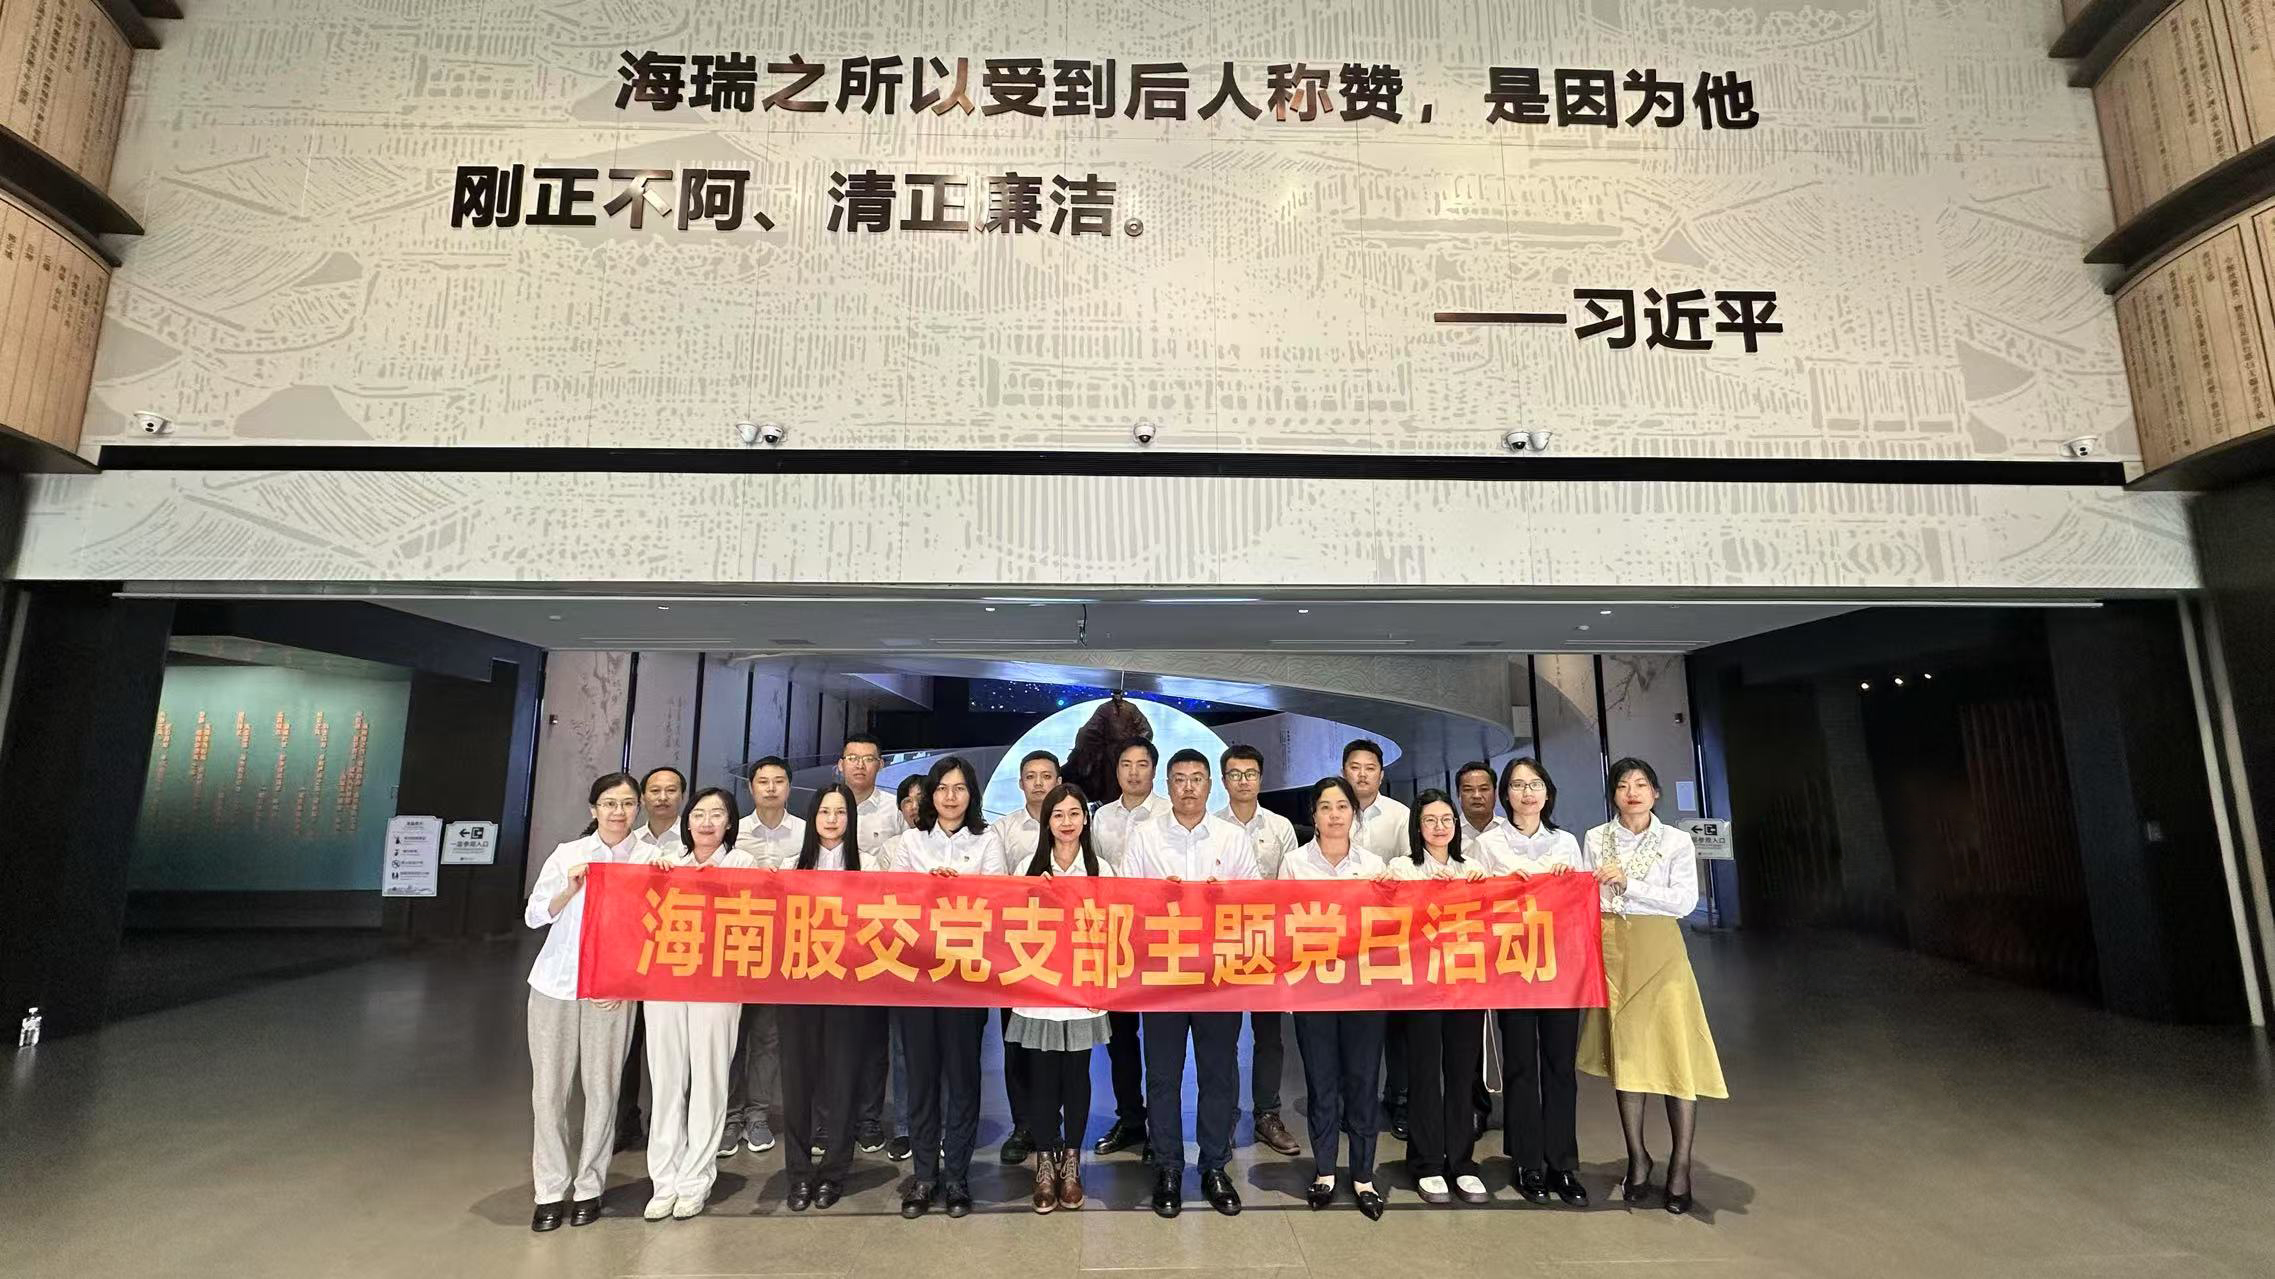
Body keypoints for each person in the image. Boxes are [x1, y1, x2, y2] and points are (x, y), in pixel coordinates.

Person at [1578, 757, 1727, 1215]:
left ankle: (1680, 1165)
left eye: (1641, 784)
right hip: (1612, 951)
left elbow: (1683, 901)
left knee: (1673, 1051)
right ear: (1613, 794)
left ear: (1655, 792)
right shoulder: (1595, 838)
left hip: (1660, 949)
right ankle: (1638, 1158)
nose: (1632, 793)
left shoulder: (1675, 840)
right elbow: (1588, 896)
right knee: (1629, 1058)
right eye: (1623, 785)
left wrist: (1631, 885)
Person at [1124, 748, 1261, 1218]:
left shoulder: (1232, 837)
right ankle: (1167, 1166)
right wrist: (1156, 899)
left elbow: (1255, 902)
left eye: (1197, 779)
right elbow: (1125, 902)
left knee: (1217, 1074)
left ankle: (1214, 1166)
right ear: (1168, 785)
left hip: (1218, 976)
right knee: (1162, 1076)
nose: (1188, 787)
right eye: (1180, 779)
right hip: (1162, 975)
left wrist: (1226, 899)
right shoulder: (1144, 836)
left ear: (1209, 785)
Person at [887, 755, 1010, 1218]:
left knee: (963, 1079)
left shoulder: (987, 840)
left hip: (967, 980)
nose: (951, 797)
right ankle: (924, 1175)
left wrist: (961, 892)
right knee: (921, 1079)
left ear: (971, 794)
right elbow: (893, 902)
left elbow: (998, 902)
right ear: (930, 795)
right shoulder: (911, 842)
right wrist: (929, 889)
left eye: (959, 788)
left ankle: (957, 1174)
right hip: (918, 979)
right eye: (942, 788)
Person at [523, 772, 644, 1232]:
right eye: (609, 803)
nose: (618, 812)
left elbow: (653, 933)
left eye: (627, 803)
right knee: (549, 1093)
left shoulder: (651, 858)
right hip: (555, 985)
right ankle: (550, 1189)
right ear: (594, 809)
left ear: (637, 809)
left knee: (603, 1089)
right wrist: (568, 890)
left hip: (611, 991)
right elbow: (534, 915)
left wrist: (625, 983)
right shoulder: (568, 854)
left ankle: (589, 1186)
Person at [634, 787, 758, 1221]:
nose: (707, 822)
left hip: (718, 984)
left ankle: (696, 1179)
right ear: (687, 822)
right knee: (666, 1081)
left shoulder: (742, 863)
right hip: (665, 981)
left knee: (709, 1080)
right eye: (699, 814)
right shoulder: (665, 860)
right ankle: (663, 1180)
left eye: (717, 814)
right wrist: (654, 878)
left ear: (729, 823)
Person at [1278, 776, 1391, 1220]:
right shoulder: (1294, 864)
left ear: (1354, 814)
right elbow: (1282, 923)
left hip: (1364, 990)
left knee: (1363, 1082)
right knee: (1321, 1083)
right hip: (1314, 990)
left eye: (1342, 806)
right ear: (1314, 815)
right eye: (1325, 807)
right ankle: (1325, 1170)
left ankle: (1363, 1175)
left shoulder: (1374, 865)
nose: (1334, 815)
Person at [772, 784, 886, 1211]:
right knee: (797, 1081)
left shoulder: (869, 866)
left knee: (842, 1080)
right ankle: (798, 1173)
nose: (832, 820)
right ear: (812, 817)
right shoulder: (791, 866)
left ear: (851, 819)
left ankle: (835, 1172)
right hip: (798, 986)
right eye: (824, 812)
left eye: (840, 812)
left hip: (848, 987)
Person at [1003, 782, 1113, 1212]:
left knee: (1077, 1077)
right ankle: (1045, 1162)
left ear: (1085, 819)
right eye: (1058, 815)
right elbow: (1008, 930)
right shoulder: (1026, 871)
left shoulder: (1102, 870)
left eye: (1074, 814)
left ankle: (1072, 1160)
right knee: (1043, 1079)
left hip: (1083, 989)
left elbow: (1115, 931)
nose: (1066, 823)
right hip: (1040, 991)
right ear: (1046, 822)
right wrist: (1033, 895)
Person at [1491, 757, 1590, 1208]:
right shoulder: (1489, 844)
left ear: (1547, 792)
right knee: (1520, 1066)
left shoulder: (1566, 843)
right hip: (1511, 966)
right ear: (1506, 794)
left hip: (1560, 968)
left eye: (1535, 785)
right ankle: (1527, 1159)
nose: (1527, 793)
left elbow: (1581, 904)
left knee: (1559, 1066)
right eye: (1517, 785)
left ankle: (1562, 1162)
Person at [1389, 790, 1491, 1206]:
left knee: (1463, 1074)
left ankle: (1462, 1161)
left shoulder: (1474, 869)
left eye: (1446, 819)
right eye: (1430, 820)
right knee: (1425, 1074)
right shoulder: (1401, 868)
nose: (1439, 827)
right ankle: (1427, 1162)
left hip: (1465, 985)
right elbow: (1391, 917)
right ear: (1417, 826)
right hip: (1421, 987)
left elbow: (1494, 918)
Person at [1213, 744, 1302, 1158]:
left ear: (1261, 779)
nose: (1243, 781)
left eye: (1250, 774)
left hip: (1269, 941)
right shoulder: (1211, 826)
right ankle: (1227, 1113)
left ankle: (1267, 1114)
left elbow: (1289, 885)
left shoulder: (1281, 827)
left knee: (1269, 1036)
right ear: (1224, 780)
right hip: (1224, 943)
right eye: (1235, 774)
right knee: (1224, 1035)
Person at [1089, 737, 1169, 1160]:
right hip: (1114, 940)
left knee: (1160, 1038)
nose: (1134, 772)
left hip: (1159, 940)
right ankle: (1131, 1118)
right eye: (1126, 764)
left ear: (1154, 770)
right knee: (1119, 1036)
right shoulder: (1101, 817)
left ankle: (1162, 1127)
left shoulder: (1170, 814)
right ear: (1116, 770)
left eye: (1142, 764)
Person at [720, 756, 803, 1158]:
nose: (771, 788)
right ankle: (730, 1115)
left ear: (789, 786)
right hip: (735, 945)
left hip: (781, 947)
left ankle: (757, 1114)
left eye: (779, 781)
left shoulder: (806, 832)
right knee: (732, 1036)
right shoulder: (730, 833)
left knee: (768, 1037)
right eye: (763, 781)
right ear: (751, 787)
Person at [838, 734, 908, 1156]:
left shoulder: (894, 812)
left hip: (881, 936)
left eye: (868, 759)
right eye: (852, 758)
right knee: (841, 1036)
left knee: (877, 1034)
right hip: (834, 937)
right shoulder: (826, 806)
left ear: (881, 765)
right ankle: (838, 1118)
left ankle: (869, 1118)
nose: (860, 765)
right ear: (840, 764)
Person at [991, 749, 1059, 1166]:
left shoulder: (1072, 824)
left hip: (1064, 954)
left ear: (1058, 781)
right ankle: (1023, 1125)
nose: (1038, 783)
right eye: (1030, 776)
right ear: (1020, 783)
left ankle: (1055, 1123)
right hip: (1016, 951)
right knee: (1016, 1041)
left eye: (1046, 776)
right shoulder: (1003, 829)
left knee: (1059, 1046)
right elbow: (997, 890)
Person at [1342, 739, 1413, 1138]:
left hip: (1390, 934)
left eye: (1370, 768)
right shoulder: (1333, 809)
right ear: (1344, 771)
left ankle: (1399, 1099)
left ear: (1381, 774)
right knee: (1352, 1023)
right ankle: (1354, 1102)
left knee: (1396, 1024)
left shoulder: (1400, 815)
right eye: (1355, 767)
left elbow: (1410, 867)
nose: (1362, 774)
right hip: (1343, 937)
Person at [616, 765, 687, 1151]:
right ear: (643, 798)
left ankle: (670, 1123)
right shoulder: (626, 843)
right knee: (629, 1044)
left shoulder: (693, 841)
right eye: (655, 790)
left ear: (682, 796)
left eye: (671, 790)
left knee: (673, 1048)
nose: (662, 797)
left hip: (676, 957)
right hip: (631, 955)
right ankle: (625, 1120)